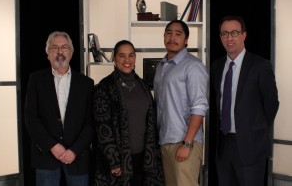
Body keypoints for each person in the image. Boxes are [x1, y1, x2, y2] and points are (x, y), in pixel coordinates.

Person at [211, 15, 279, 186]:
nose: (229, 38)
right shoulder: (216, 67)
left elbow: (271, 105)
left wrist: (254, 130)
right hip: (223, 147)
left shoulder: (260, 66)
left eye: (234, 33)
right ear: (220, 38)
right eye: (224, 34)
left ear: (244, 35)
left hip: (251, 147)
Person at [24, 31, 94, 186]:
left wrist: (75, 150)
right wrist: (52, 146)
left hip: (78, 157)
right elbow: (31, 118)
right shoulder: (36, 80)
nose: (60, 51)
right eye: (55, 47)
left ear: (71, 52)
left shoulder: (86, 83)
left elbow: (91, 122)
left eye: (64, 47)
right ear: (48, 53)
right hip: (46, 156)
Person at [92, 40, 164, 186]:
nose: (127, 60)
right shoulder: (104, 87)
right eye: (122, 56)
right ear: (114, 58)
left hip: (144, 159)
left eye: (131, 55)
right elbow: (102, 128)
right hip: (118, 161)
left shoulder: (142, 85)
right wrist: (114, 162)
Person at [153, 20, 209, 186]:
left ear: (186, 40)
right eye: (169, 33)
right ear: (164, 36)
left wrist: (187, 143)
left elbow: (200, 107)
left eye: (178, 34)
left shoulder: (193, 66)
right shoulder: (161, 66)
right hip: (165, 140)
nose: (172, 37)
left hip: (184, 141)